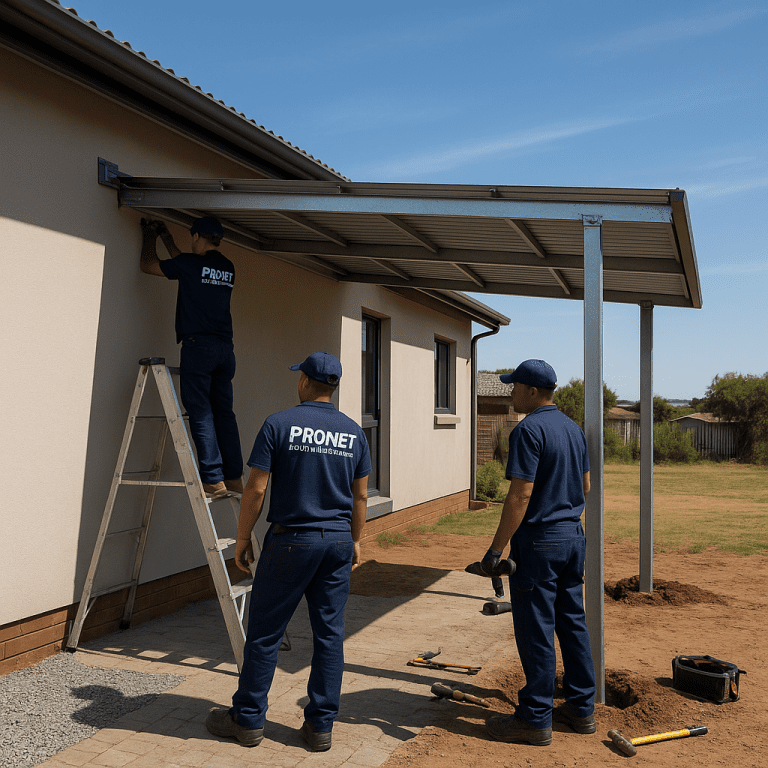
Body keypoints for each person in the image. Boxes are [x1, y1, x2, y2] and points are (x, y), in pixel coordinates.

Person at [205, 352, 371, 752]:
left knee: (264, 633)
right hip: (335, 542)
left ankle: (247, 721)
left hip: (291, 540)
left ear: (303, 382)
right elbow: (361, 494)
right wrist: (356, 540)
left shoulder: (279, 424)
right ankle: (320, 729)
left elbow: (257, 488)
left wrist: (242, 538)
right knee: (329, 636)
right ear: (333, 387)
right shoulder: (354, 433)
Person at [480, 359, 596, 747]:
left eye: (515, 387)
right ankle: (581, 710)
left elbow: (521, 493)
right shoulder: (574, 430)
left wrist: (496, 549)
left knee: (536, 628)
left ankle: (535, 719)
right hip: (572, 537)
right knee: (572, 622)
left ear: (532, 391)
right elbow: (586, 484)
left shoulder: (528, 430)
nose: (511, 393)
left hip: (540, 542)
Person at [139, 216, 243, 499]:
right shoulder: (227, 267)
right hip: (225, 350)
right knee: (224, 413)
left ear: (196, 236)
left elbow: (148, 265)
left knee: (200, 411)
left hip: (199, 348)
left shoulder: (189, 265)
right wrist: (167, 237)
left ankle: (212, 479)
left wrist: (149, 235)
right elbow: (186, 264)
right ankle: (233, 477)